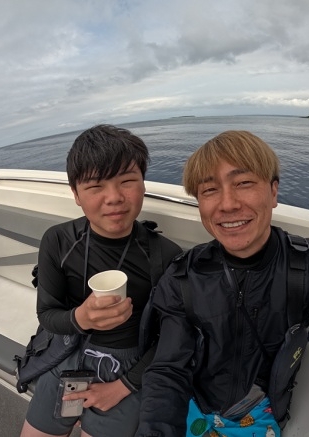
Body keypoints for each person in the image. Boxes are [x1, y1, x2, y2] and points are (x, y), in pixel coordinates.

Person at [136, 130, 309, 436]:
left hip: (264, 411)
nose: (228, 204)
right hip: (195, 405)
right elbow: (168, 372)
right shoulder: (181, 276)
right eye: (209, 190)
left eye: (244, 183)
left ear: (274, 192)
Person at [20, 124, 182, 437]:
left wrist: (123, 386)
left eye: (127, 181)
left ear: (143, 183)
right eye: (96, 186)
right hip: (69, 351)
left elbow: (172, 337)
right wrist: (80, 318)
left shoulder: (166, 255)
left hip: (130, 368)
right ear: (76, 194)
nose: (114, 198)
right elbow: (48, 314)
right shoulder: (58, 241)